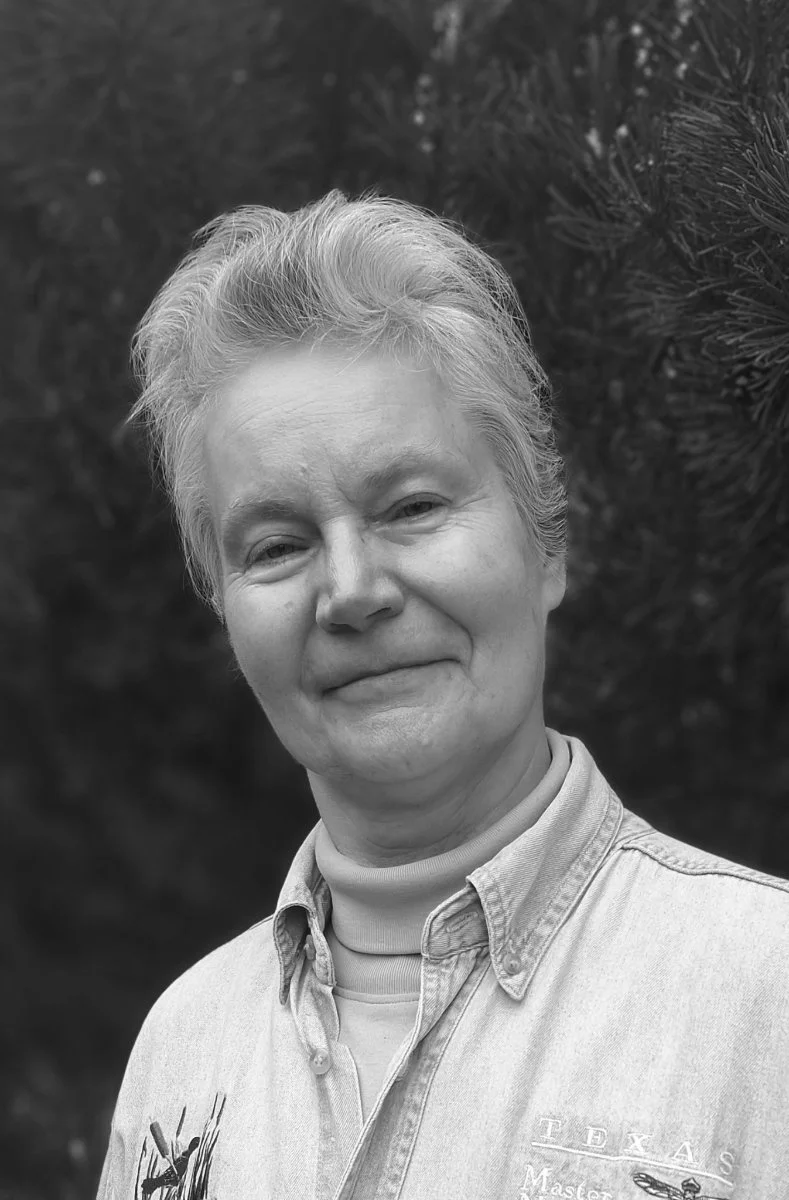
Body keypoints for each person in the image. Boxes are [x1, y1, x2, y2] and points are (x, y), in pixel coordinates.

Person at [96, 190, 789, 1200]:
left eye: (412, 506)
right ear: (225, 607)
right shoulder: (181, 1055)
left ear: (549, 542)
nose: (352, 591)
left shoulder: (764, 996)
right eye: (277, 545)